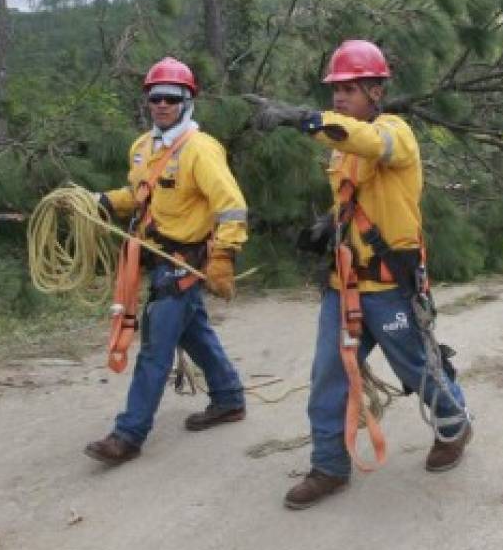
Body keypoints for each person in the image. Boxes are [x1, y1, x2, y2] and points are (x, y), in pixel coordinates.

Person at [251, 39, 471, 510]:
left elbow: (371, 142)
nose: (339, 96)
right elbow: (356, 196)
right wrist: (329, 226)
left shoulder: (395, 134)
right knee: (327, 378)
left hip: (390, 286)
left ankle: (454, 427)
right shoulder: (342, 144)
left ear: (376, 90)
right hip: (346, 285)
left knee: (420, 368)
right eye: (335, 89)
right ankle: (328, 466)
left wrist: (305, 118)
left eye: (350, 88)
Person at [84, 56, 249, 466]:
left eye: (171, 98)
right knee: (193, 331)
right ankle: (228, 398)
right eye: (155, 97)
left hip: (183, 262)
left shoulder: (201, 150)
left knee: (156, 346)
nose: (161, 104)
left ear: (187, 101)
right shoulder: (143, 149)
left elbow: (231, 205)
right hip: (155, 259)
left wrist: (224, 256)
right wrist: (102, 201)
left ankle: (129, 433)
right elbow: (139, 195)